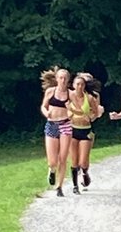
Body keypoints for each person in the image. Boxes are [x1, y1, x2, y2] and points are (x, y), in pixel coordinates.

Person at [68, 73, 104, 193]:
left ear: (85, 86)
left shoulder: (90, 97)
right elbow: (64, 109)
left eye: (82, 84)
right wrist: (70, 115)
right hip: (73, 129)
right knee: (74, 159)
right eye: (77, 84)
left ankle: (84, 172)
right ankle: (75, 186)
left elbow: (96, 111)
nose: (79, 86)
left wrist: (90, 117)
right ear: (73, 85)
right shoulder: (69, 96)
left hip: (86, 130)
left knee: (83, 161)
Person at [40, 66, 73, 197]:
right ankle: (52, 170)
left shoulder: (71, 94)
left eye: (65, 78)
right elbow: (43, 105)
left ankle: (59, 187)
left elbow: (76, 108)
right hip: (51, 124)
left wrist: (71, 111)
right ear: (56, 79)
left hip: (65, 124)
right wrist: (46, 112)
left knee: (63, 158)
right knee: (52, 161)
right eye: (60, 78)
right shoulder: (50, 91)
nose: (63, 80)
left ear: (68, 80)